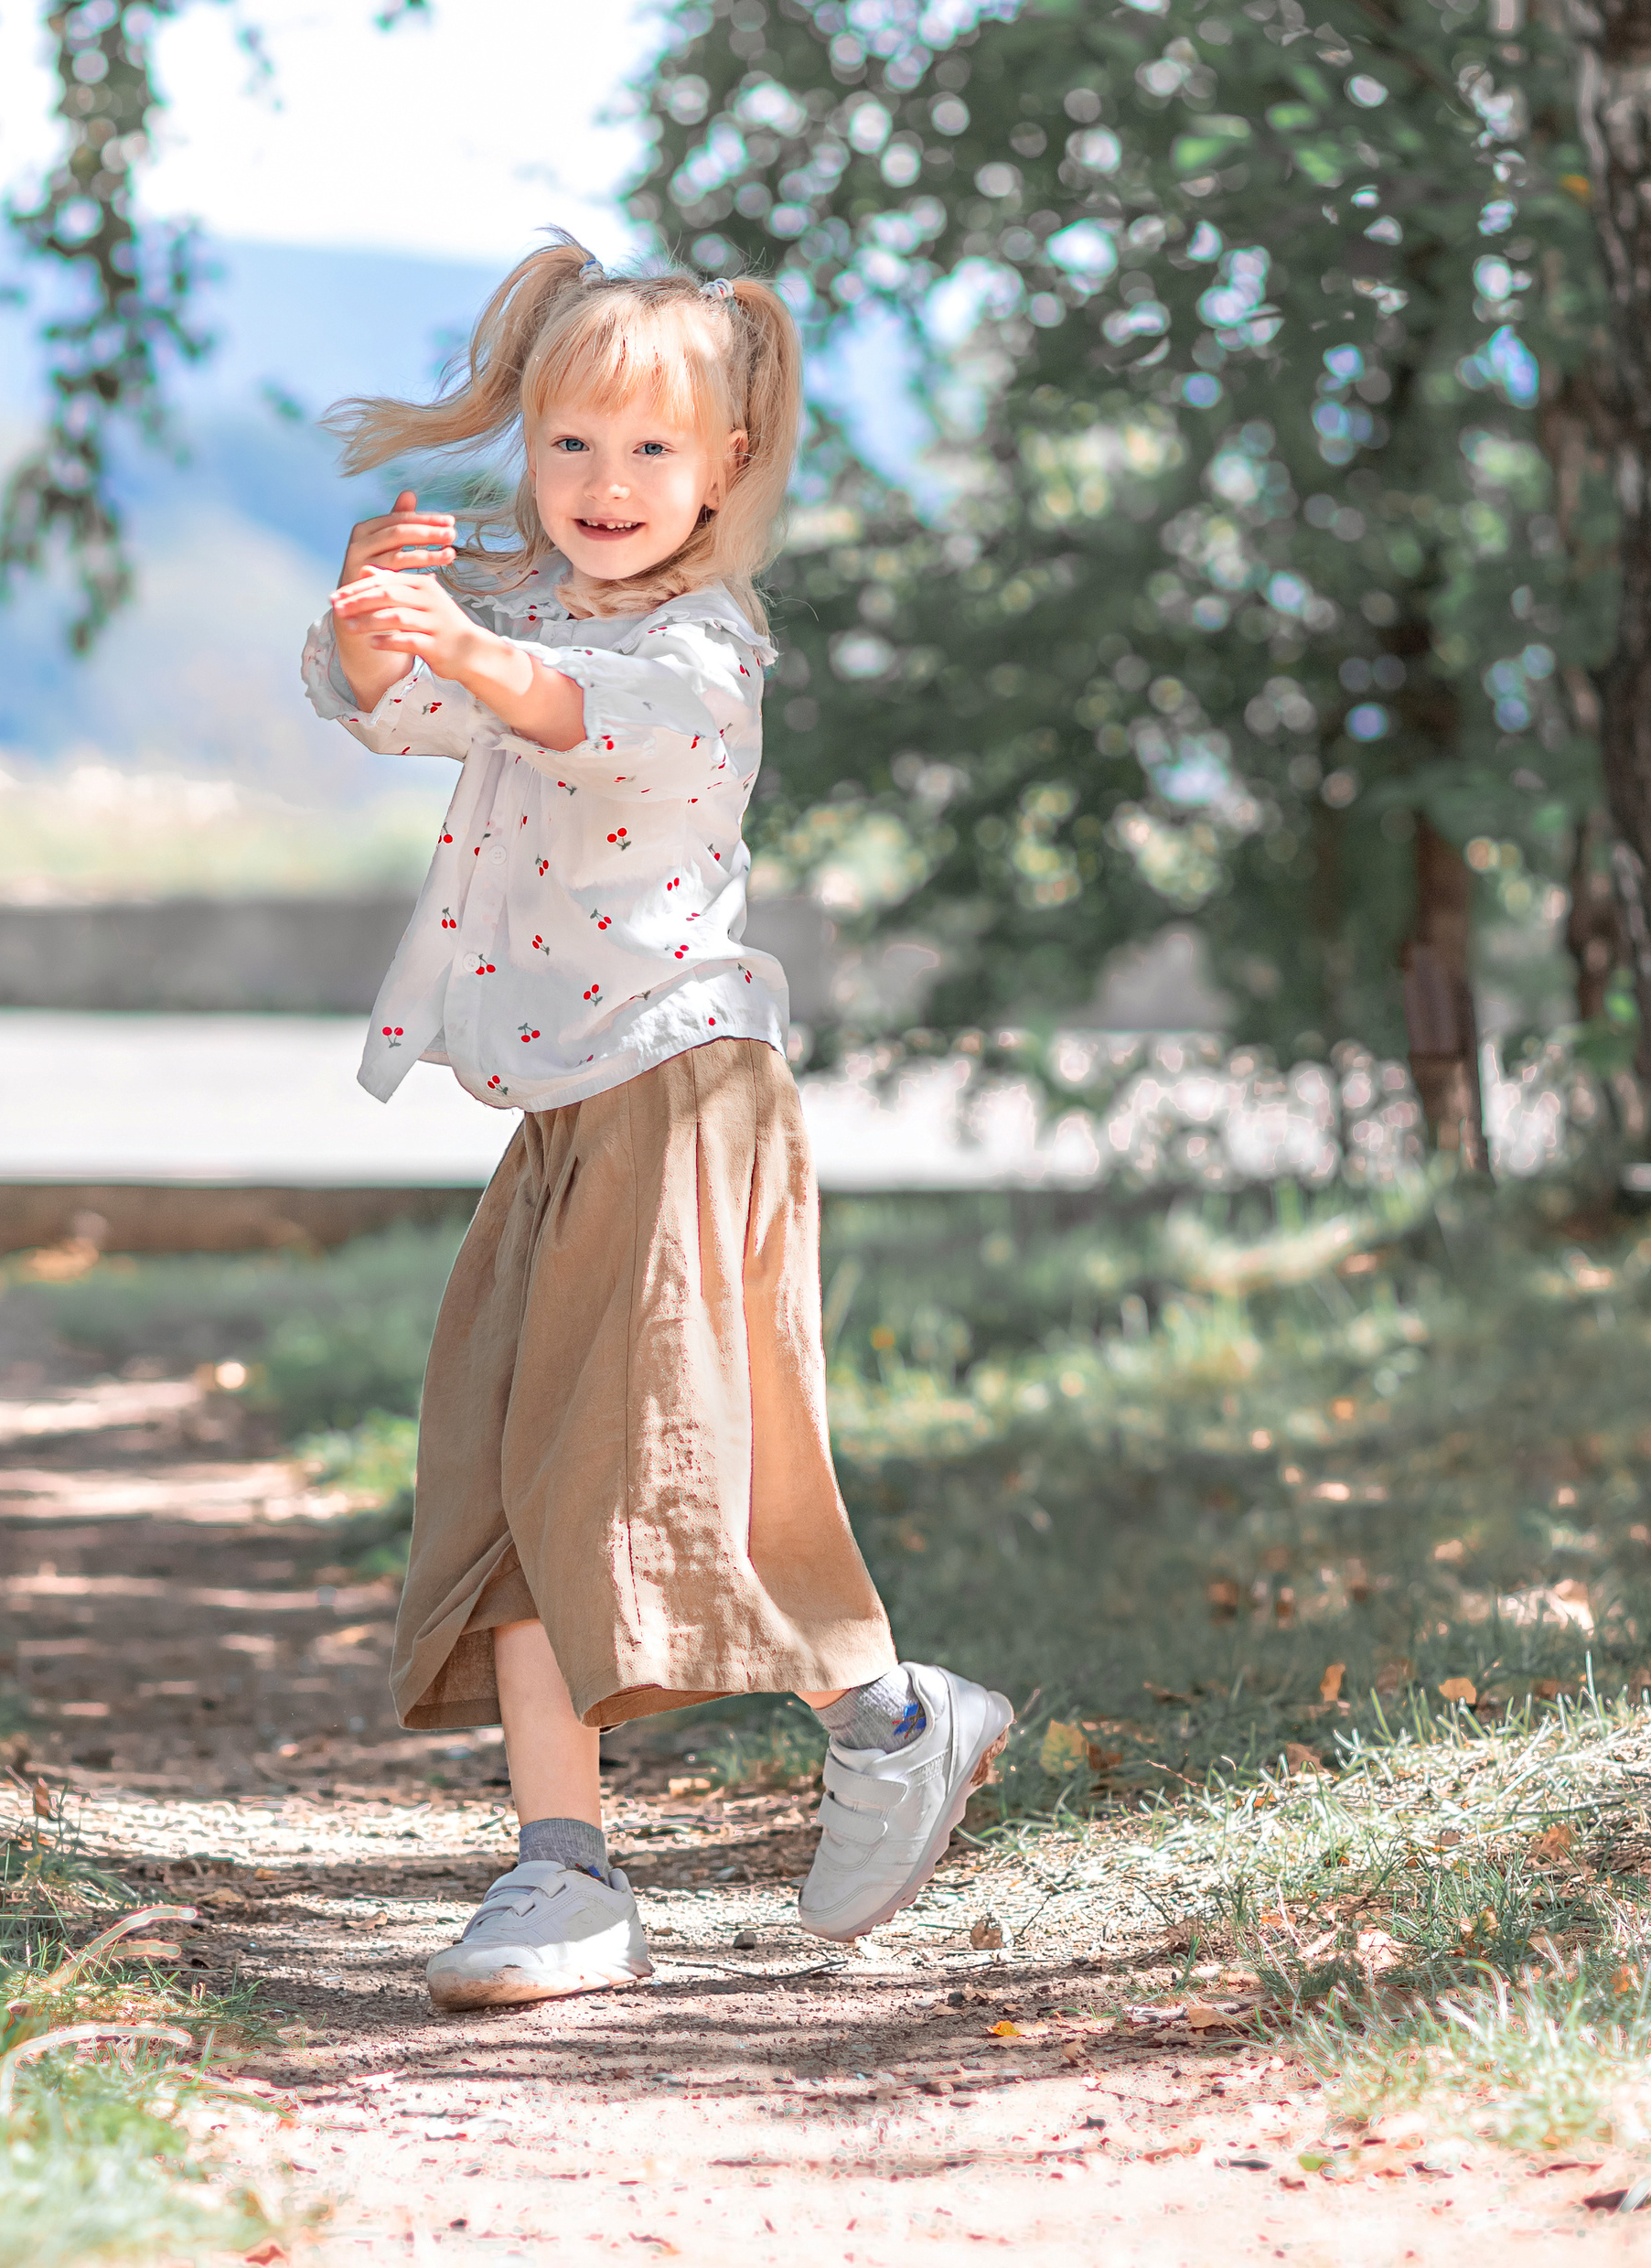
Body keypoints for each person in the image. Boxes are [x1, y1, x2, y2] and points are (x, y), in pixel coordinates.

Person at [300, 236, 1011, 2012]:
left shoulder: (698, 646)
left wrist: (466, 638)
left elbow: (577, 719)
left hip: (681, 1085)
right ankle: (584, 1855)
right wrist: (364, 624)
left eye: (649, 455)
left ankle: (834, 1738)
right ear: (523, 451)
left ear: (724, 474)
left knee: (619, 1472)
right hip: (563, 1108)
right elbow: (398, 709)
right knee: (507, 1473)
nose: (603, 490)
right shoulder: (528, 613)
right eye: (566, 448)